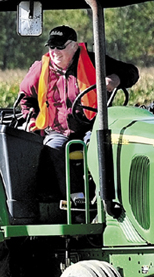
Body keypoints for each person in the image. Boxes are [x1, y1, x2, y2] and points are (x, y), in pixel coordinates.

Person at [19, 25, 139, 198]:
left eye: (60, 46)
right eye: (51, 46)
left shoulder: (94, 61)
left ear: (74, 46)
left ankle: (103, 198)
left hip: (91, 127)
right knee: (52, 149)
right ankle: (76, 198)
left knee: (99, 147)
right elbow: (25, 96)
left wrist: (116, 79)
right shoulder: (41, 68)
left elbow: (131, 72)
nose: (54, 51)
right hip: (57, 130)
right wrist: (30, 118)